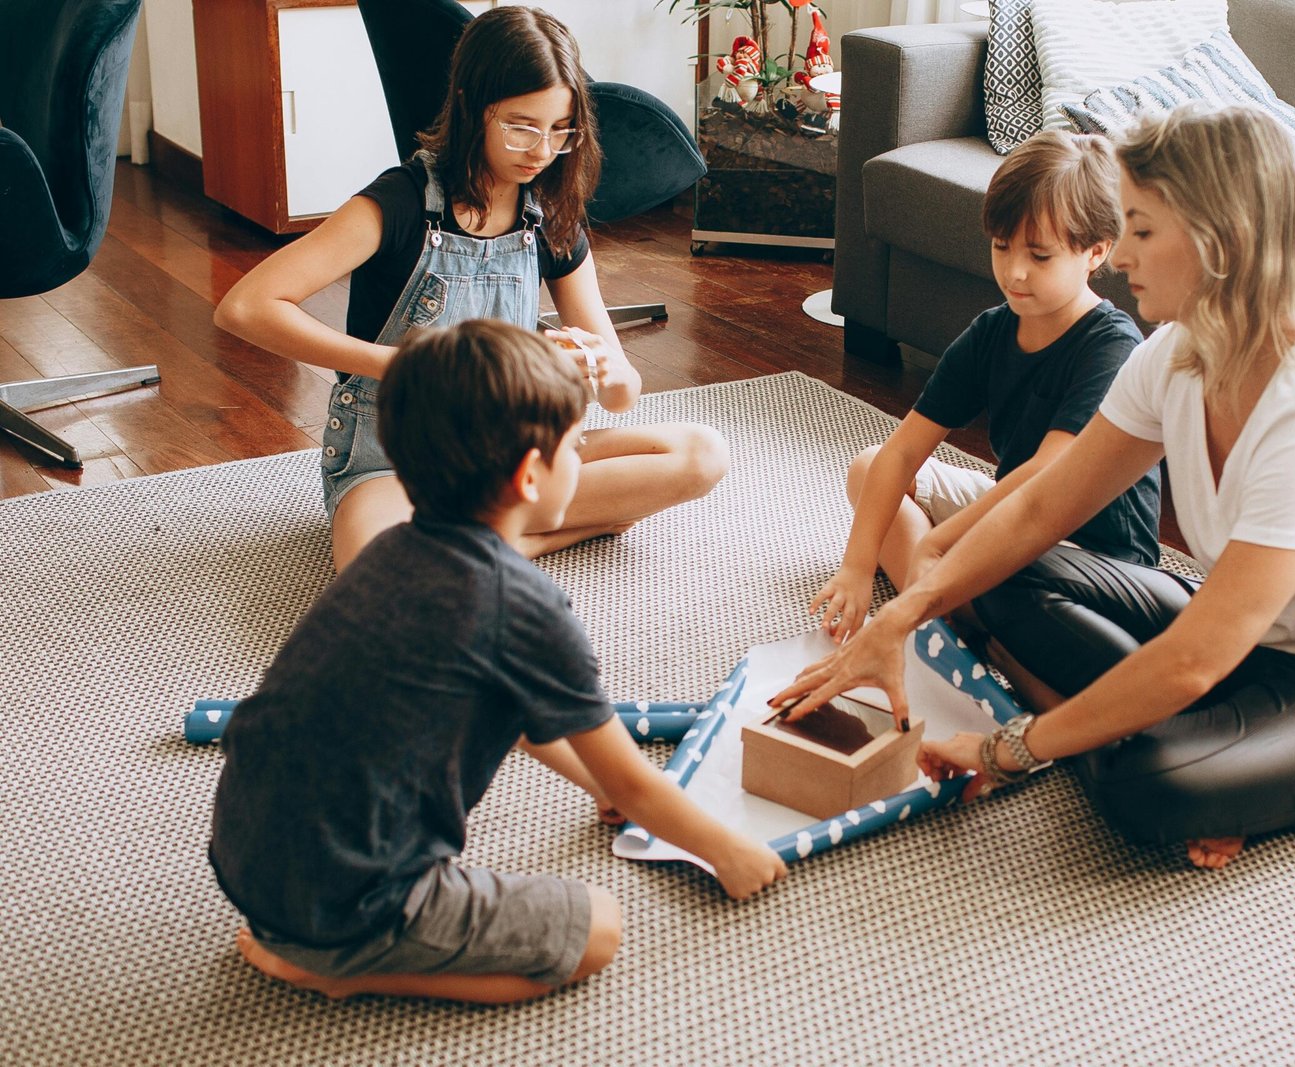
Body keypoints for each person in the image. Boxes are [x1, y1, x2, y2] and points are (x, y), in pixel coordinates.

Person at [773, 104, 1295, 871]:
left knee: (1147, 787)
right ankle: (1210, 757)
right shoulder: (1174, 350)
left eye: (1140, 230)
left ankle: (1210, 768)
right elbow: (1042, 507)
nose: (1123, 254)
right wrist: (901, 614)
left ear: (1219, 240)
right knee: (1003, 563)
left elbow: (1192, 661)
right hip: (1249, 646)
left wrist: (1008, 749)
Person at [209, 320, 786, 1004]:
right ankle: (345, 966)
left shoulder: (390, 552)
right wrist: (728, 850)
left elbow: (502, 707)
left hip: (244, 854)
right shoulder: (524, 607)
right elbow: (635, 786)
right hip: (350, 897)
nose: (582, 456)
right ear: (532, 473)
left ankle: (322, 943)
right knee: (596, 930)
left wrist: (587, 782)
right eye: (577, 443)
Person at [214, 6, 727, 571]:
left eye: (560, 131)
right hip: (397, 464)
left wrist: (606, 364)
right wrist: (402, 364)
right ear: (470, 108)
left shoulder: (550, 215)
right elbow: (245, 307)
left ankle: (477, 542)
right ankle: (527, 534)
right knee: (376, 572)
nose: (540, 151)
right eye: (522, 126)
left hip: (518, 457)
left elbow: (620, 397)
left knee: (702, 455)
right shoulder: (398, 204)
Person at [809, 130, 1160, 645]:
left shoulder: (1111, 346)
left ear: (1095, 252)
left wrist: (943, 546)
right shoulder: (994, 330)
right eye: (1002, 247)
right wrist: (857, 568)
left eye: (1040, 257)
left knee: (1009, 590)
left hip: (1095, 553)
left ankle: (941, 606)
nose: (1015, 272)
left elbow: (1046, 476)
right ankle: (940, 610)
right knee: (869, 468)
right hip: (1013, 508)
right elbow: (902, 452)